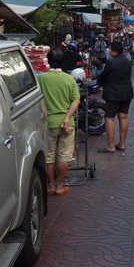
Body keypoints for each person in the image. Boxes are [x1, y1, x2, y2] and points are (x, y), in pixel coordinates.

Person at [37, 48, 80, 196]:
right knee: (64, 156)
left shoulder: (41, 78)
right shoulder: (69, 78)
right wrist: (67, 118)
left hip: (48, 123)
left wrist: (44, 109)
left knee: (49, 156)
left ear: (48, 61)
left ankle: (50, 185)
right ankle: (60, 186)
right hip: (67, 124)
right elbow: (76, 100)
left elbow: (38, 99)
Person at [96, 41, 134, 153]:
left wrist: (100, 82)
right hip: (126, 92)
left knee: (109, 118)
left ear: (114, 51)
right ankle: (122, 144)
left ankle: (111, 146)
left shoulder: (111, 62)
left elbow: (103, 76)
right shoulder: (127, 61)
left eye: (110, 49)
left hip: (113, 94)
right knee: (123, 117)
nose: (109, 51)